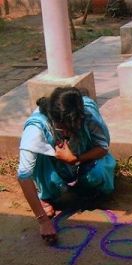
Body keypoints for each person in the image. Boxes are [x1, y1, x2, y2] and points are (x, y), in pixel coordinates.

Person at [17, 87, 116, 245]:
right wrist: (43, 221)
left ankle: (85, 187)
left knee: (97, 177)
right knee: (46, 172)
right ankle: (47, 194)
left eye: (74, 127)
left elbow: (102, 148)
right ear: (53, 118)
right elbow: (23, 175)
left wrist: (75, 159)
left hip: (78, 158)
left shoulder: (88, 114)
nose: (68, 133)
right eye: (63, 128)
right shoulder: (36, 129)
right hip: (53, 163)